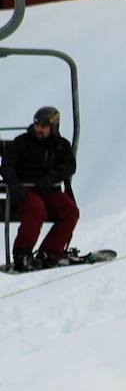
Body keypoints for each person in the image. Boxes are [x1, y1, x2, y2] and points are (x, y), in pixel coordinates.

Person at [2, 106, 80, 272]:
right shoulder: (23, 142)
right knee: (36, 208)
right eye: (37, 125)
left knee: (70, 211)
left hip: (48, 190)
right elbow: (7, 166)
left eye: (43, 127)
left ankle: (49, 253)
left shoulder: (60, 145)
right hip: (24, 191)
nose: (38, 129)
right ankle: (22, 254)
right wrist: (14, 184)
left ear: (53, 127)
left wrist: (51, 178)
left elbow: (69, 165)